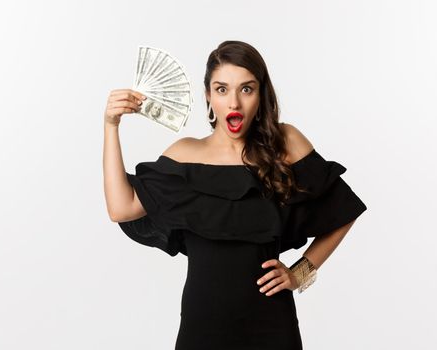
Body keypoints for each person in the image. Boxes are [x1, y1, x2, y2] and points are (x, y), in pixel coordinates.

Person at [103, 40, 367, 350]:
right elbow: (121, 209)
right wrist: (111, 125)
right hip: (202, 325)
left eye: (246, 89)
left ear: (261, 94)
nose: (234, 104)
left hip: (271, 325)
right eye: (222, 89)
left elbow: (343, 211)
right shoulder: (185, 153)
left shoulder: (286, 143)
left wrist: (300, 273)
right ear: (208, 96)